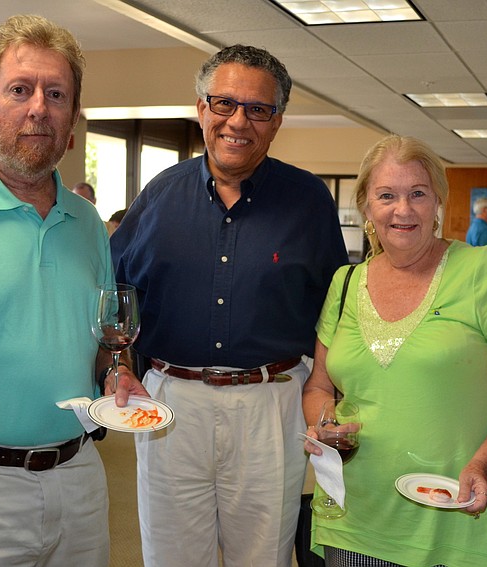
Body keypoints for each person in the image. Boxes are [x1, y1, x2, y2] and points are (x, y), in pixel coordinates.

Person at [0, 14, 147, 567]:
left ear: (73, 117)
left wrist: (116, 370)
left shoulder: (87, 223)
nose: (39, 107)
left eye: (56, 93)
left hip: (80, 479)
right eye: (20, 89)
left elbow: (104, 340)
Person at [110, 44, 348, 566]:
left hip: (271, 405)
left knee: (261, 558)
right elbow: (115, 298)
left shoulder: (308, 201)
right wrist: (118, 364)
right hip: (171, 406)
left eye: (258, 109)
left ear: (276, 121)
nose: (238, 121)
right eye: (224, 104)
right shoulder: (158, 197)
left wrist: (328, 392)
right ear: (201, 109)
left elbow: (337, 312)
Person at [302, 134, 487, 566]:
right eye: (386, 195)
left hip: (454, 508)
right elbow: (319, 385)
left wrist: (481, 466)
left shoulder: (481, 272)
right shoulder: (345, 283)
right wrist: (324, 425)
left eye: (418, 194)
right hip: (356, 514)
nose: (402, 209)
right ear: (367, 207)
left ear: (438, 203)